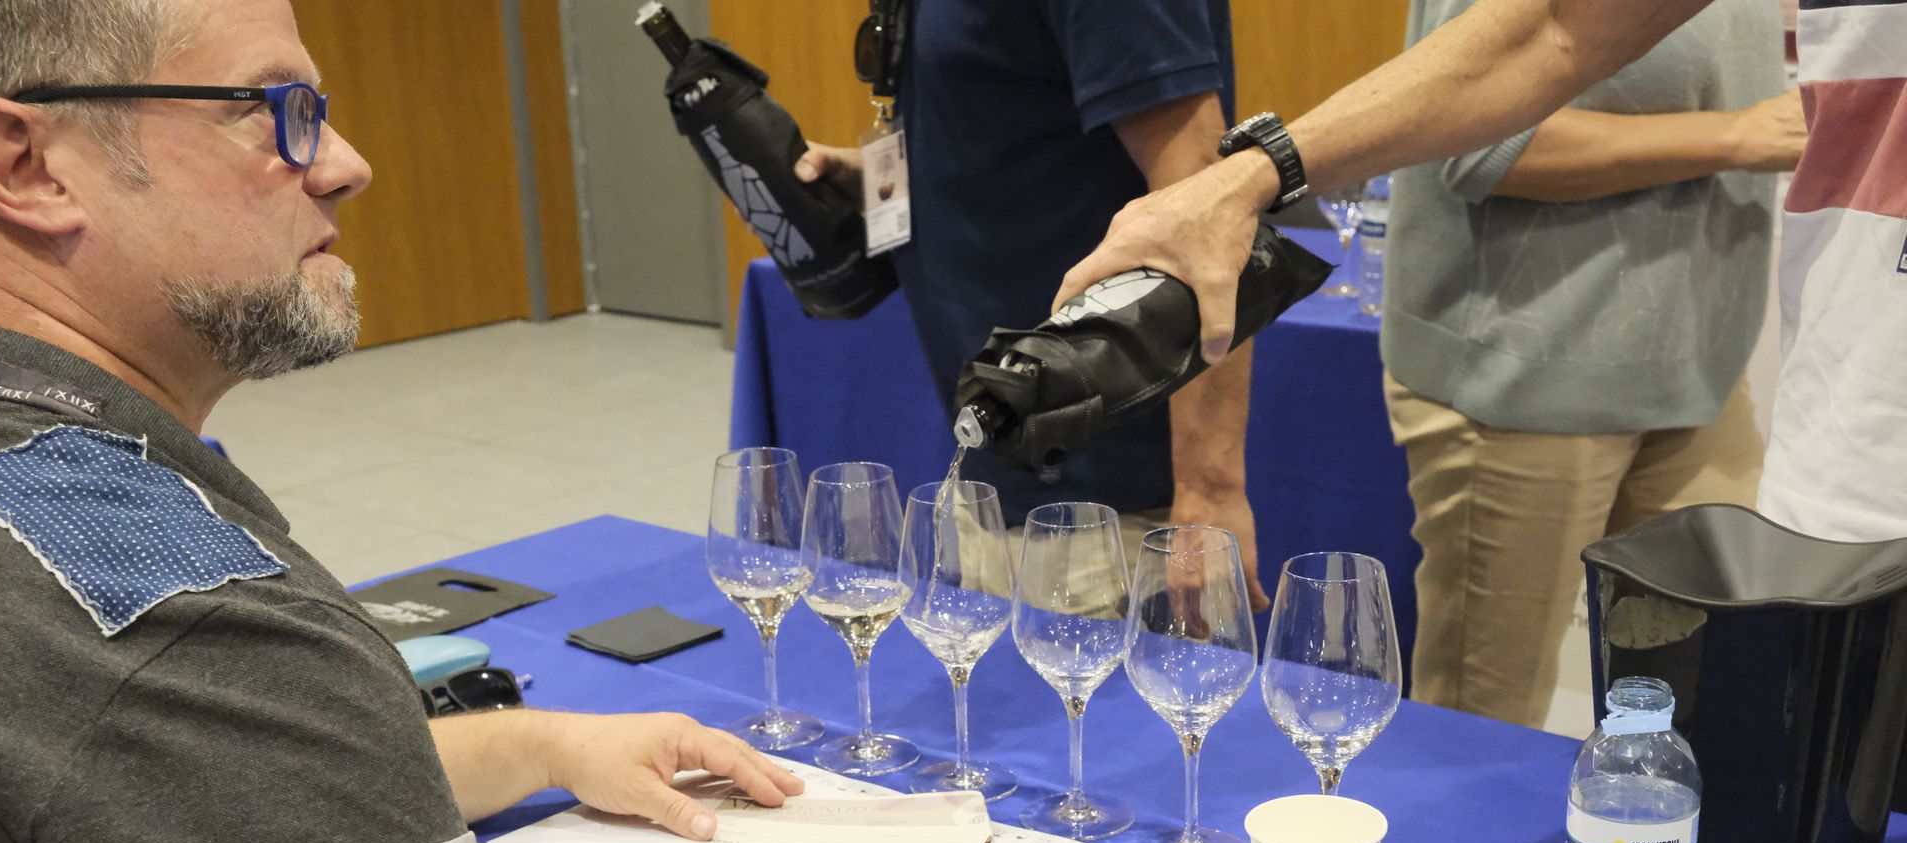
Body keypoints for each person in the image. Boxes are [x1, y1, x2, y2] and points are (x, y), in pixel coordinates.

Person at [0, 2, 1135, 843]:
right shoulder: (170, 605)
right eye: (278, 115)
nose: (347, 163)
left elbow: (157, 797)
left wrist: (532, 745)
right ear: (28, 166)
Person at [1058, 0, 1907, 547]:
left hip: (1707, 378)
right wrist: (1249, 177)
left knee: (1688, 715)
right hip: (1550, 381)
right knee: (1507, 728)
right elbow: (1547, 42)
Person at [1381, 0, 1803, 728]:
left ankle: (1635, 809)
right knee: (1483, 726)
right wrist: (1734, 136)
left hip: (1697, 380)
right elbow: (1478, 141)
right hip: (1524, 386)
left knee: (1682, 713)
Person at [796, 0, 1271, 605]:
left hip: (1104, 514)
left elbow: (1210, 206)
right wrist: (878, 182)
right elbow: (1014, 120)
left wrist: (1208, 491)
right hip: (996, 468)